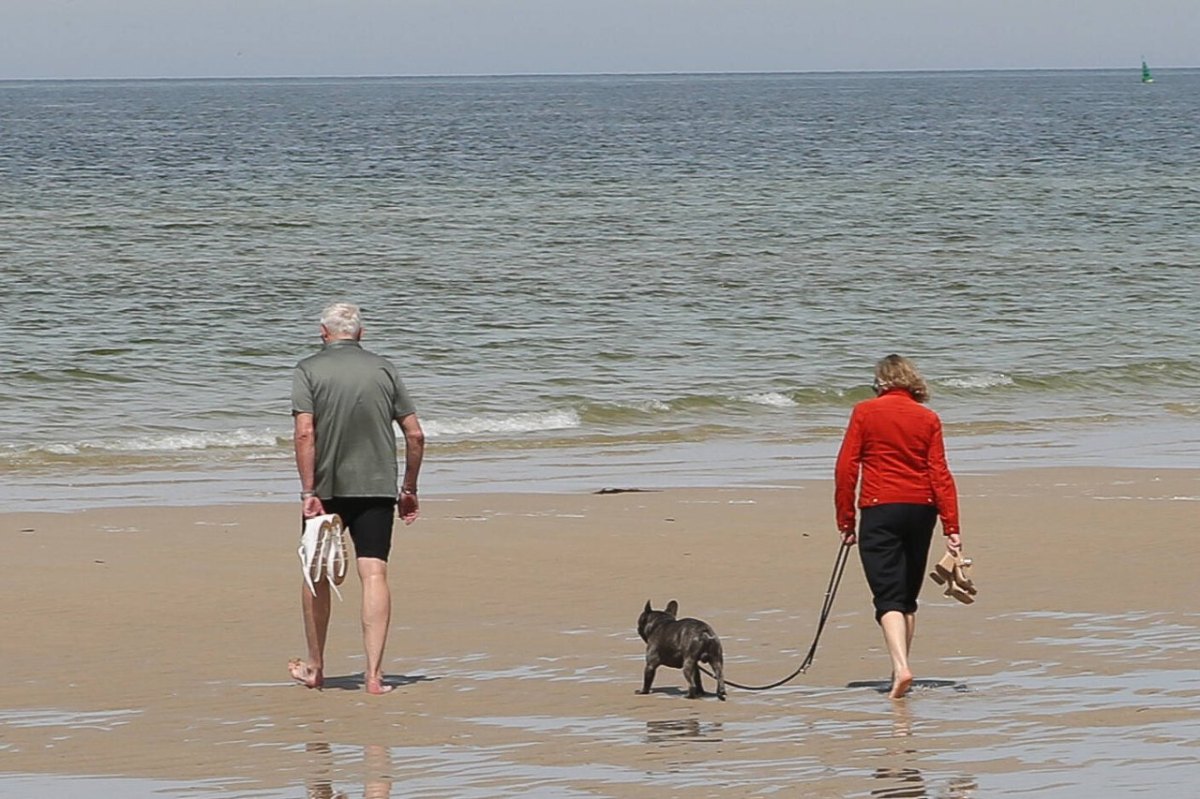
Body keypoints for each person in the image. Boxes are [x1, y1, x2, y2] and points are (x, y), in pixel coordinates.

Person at [287, 302, 425, 695]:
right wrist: (409, 489)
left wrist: (308, 491)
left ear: (323, 333)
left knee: (316, 574)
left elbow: (305, 433)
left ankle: (316, 668)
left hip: (325, 490)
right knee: (374, 573)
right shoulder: (384, 369)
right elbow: (415, 434)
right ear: (360, 334)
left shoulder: (308, 369)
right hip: (377, 486)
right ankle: (375, 676)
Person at [834, 354, 961, 699]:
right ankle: (898, 670)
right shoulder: (928, 417)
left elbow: (846, 468)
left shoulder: (865, 412)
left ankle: (901, 668)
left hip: (880, 507)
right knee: (906, 597)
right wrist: (952, 526)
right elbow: (940, 473)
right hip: (922, 509)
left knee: (887, 596)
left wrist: (846, 519)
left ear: (880, 382)